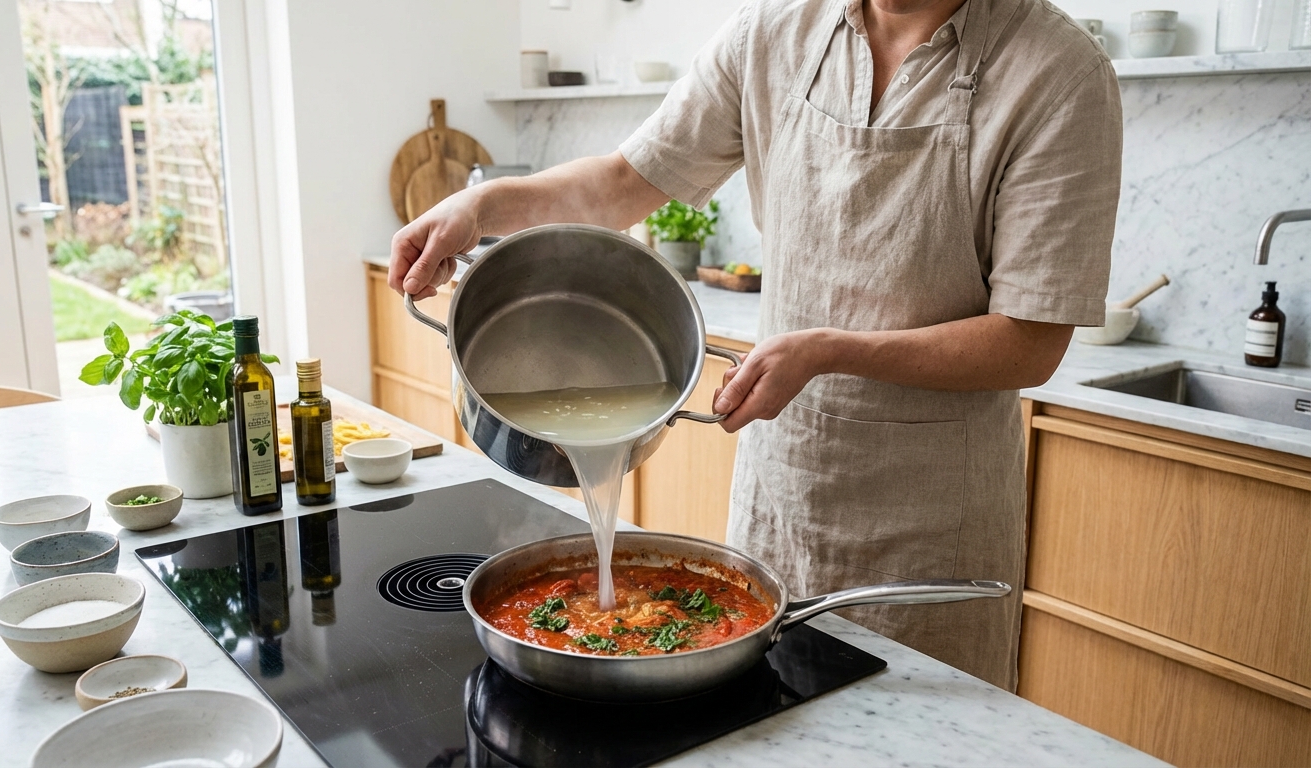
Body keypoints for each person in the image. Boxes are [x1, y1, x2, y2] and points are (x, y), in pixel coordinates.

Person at [390, 0, 1121, 690]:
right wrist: (481, 206)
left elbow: (1029, 342)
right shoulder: (776, 32)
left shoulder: (1058, 72)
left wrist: (831, 351)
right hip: (783, 491)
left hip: (931, 523)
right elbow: (619, 185)